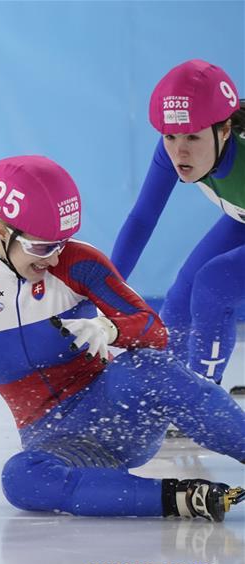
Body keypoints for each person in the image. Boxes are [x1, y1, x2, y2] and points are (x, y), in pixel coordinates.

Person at [0, 155, 245, 521]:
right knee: (20, 478)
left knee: (151, 366)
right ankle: (181, 499)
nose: (54, 256)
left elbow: (155, 332)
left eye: (62, 242)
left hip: (116, 411)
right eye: (43, 246)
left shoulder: (78, 261)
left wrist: (111, 329)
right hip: (55, 439)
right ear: (1, 229)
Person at [112, 59, 244, 394]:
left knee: (215, 284)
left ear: (224, 129)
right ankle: (168, 392)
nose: (179, 151)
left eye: (193, 138)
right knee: (181, 297)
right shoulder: (177, 145)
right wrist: (103, 290)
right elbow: (142, 218)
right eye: (170, 136)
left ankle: (202, 400)